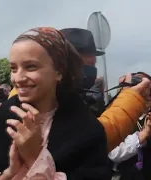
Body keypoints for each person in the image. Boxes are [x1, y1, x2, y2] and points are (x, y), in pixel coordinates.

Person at [0, 27, 110, 179]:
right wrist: (8, 174)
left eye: (31, 67)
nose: (18, 78)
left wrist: (35, 159)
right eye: (14, 68)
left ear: (59, 71)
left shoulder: (88, 131)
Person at [8, 28, 151, 152]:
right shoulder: (28, 106)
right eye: (88, 65)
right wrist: (131, 98)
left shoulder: (61, 100)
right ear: (62, 66)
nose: (92, 71)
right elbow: (91, 141)